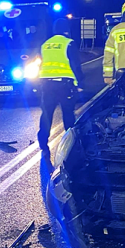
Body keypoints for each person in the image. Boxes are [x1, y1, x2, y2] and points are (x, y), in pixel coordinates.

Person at [37, 18, 85, 156]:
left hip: (46, 85)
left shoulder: (45, 44)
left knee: (46, 114)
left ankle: (42, 142)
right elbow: (75, 65)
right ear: (66, 30)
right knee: (68, 114)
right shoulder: (68, 43)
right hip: (64, 85)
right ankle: (70, 144)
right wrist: (80, 83)